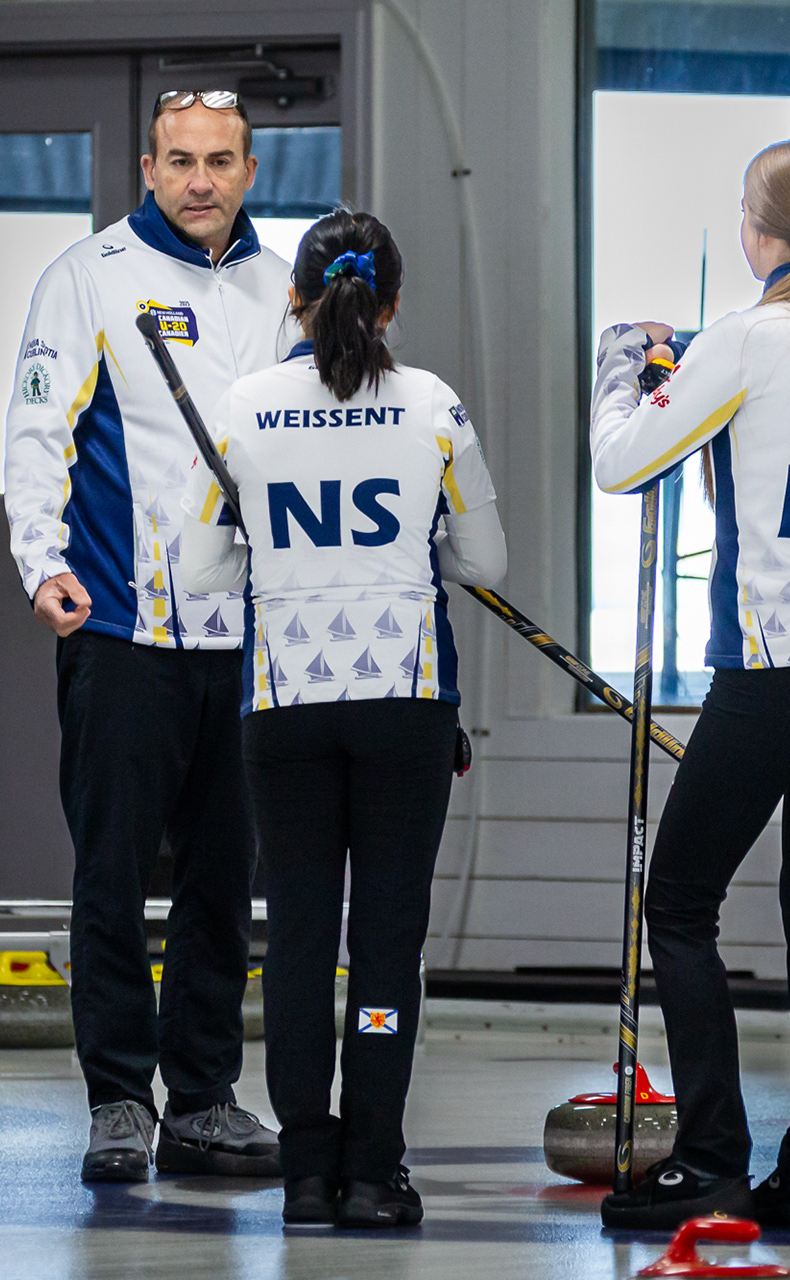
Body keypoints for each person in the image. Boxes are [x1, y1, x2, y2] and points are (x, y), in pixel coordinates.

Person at [588, 137, 790, 1232]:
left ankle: (711, 1159)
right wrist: (694, 364)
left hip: (784, 668)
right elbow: (785, 410)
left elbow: (622, 460)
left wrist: (623, 366)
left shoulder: (749, 335)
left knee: (680, 903)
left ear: (761, 230)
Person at [177, 211, 506, 1228]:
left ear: (294, 298)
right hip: (405, 702)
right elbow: (485, 562)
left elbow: (200, 570)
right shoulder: (435, 404)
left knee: (300, 935)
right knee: (387, 939)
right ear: (390, 305)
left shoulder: (240, 406)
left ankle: (306, 1177)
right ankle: (373, 1172)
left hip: (286, 705)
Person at [3, 91, 293, 1183]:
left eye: (219, 161)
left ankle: (204, 1098)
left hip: (248, 637)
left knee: (224, 881)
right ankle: (119, 1099)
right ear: (148, 166)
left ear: (251, 170)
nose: (199, 181)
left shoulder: (285, 288)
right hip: (121, 625)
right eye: (179, 161)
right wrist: (42, 563)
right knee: (111, 878)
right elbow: (36, 434)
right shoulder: (87, 275)